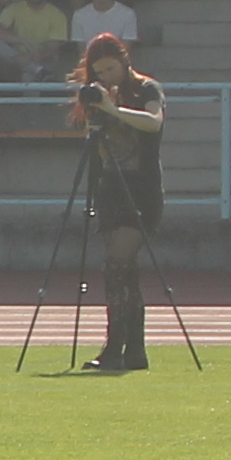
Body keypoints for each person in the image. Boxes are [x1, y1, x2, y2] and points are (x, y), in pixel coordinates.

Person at [74, 32, 169, 372]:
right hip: (111, 190)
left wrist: (113, 109)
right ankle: (135, 351)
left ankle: (115, 347)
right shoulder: (99, 94)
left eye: (111, 68)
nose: (106, 77)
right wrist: (96, 116)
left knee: (116, 264)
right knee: (124, 273)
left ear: (125, 62)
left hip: (142, 190)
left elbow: (153, 123)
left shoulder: (147, 90)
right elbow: (101, 150)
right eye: (99, 72)